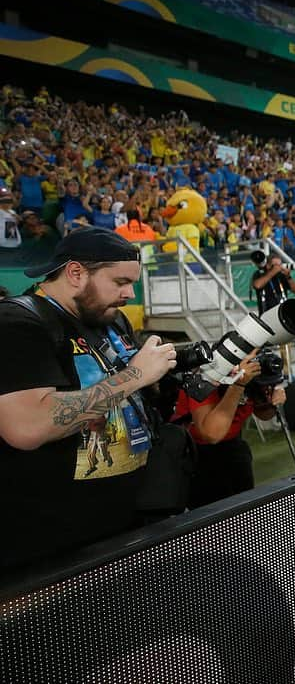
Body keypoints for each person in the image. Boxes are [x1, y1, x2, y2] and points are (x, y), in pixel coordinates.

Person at [0, 227, 177, 573]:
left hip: (126, 526)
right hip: (48, 548)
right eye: (120, 281)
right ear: (76, 273)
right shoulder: (16, 322)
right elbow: (27, 426)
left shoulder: (110, 319)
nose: (129, 293)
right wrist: (136, 375)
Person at [173, 349, 286, 508]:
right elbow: (211, 434)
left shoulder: (255, 376)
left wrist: (274, 402)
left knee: (244, 510)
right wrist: (238, 384)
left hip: (233, 447)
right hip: (198, 454)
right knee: (212, 517)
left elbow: (264, 414)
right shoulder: (207, 376)